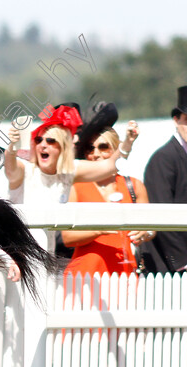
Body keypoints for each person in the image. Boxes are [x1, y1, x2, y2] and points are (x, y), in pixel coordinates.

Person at [62, 102, 149, 277]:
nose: (96, 154)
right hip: (84, 276)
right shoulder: (75, 187)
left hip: (126, 273)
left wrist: (146, 232)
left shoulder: (134, 185)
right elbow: (68, 238)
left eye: (103, 147)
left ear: (115, 150)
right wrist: (99, 230)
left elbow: (151, 227)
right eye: (90, 148)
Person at [4, 104, 125, 205]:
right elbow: (10, 170)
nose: (43, 145)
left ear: (63, 148)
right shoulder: (26, 170)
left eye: (50, 141)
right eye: (38, 140)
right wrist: (12, 147)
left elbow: (110, 166)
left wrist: (129, 141)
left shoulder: (68, 172)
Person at [143, 85, 187, 273]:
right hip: (169, 264)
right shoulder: (164, 158)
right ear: (176, 120)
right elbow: (161, 214)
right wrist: (182, 262)